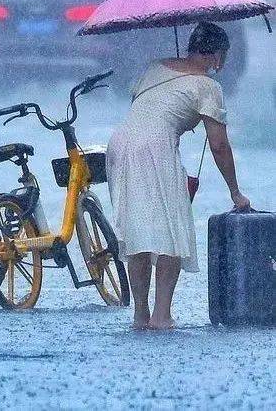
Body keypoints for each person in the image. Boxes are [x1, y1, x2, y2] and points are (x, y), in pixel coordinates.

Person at [106, 22, 250, 331]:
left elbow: (147, 110)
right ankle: (162, 315)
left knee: (138, 228)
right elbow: (219, 145)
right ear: (219, 56)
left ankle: (141, 315)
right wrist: (235, 192)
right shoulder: (208, 87)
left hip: (120, 144)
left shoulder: (154, 67)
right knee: (171, 231)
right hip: (154, 149)